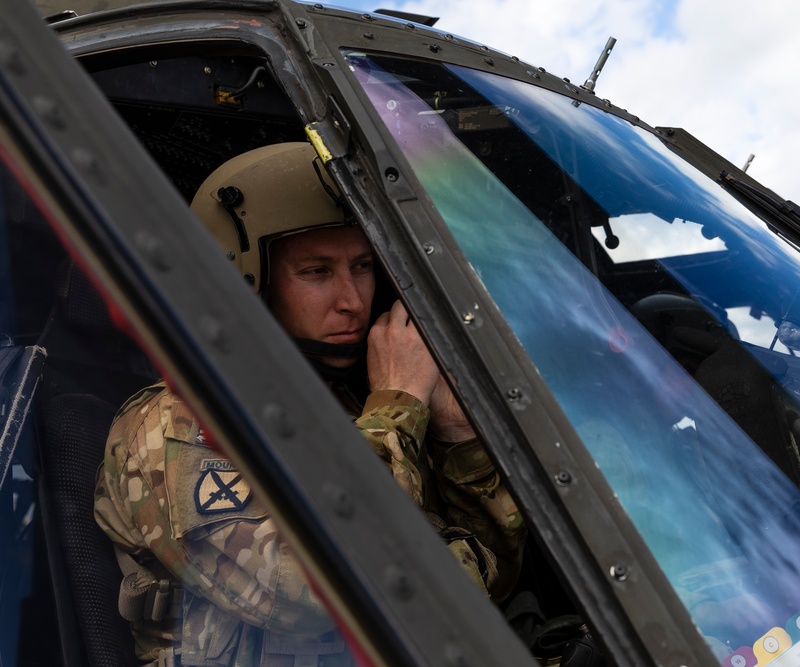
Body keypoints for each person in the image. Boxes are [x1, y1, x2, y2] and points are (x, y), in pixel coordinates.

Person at [94, 142, 526, 666]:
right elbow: (318, 593)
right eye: (317, 272)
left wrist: (456, 437)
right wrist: (400, 404)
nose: (352, 300)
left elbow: (498, 582)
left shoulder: (357, 403)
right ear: (247, 279)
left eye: (363, 266)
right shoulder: (177, 422)